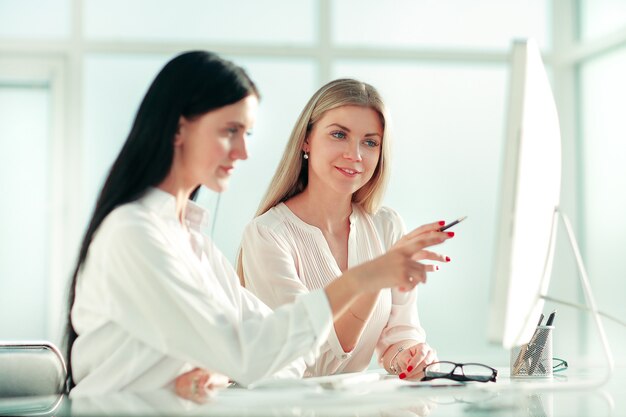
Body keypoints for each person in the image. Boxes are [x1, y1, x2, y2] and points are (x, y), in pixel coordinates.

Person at [64, 53, 453, 397]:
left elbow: (279, 351)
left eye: (246, 133)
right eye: (230, 131)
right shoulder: (134, 234)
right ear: (179, 128)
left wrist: (217, 369)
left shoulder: (190, 239)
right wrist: (364, 279)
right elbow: (252, 352)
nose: (244, 151)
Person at [238, 79, 452, 380]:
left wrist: (412, 356)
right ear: (306, 140)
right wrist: (373, 278)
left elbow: (399, 336)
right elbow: (316, 364)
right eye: (339, 135)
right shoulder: (268, 234)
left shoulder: (386, 226)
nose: (355, 155)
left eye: (370, 142)